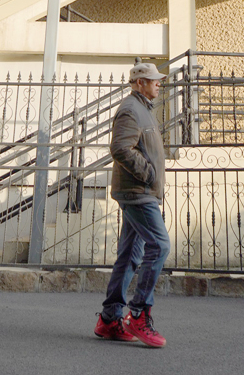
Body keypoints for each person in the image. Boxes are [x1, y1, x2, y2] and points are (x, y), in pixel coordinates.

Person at [94, 62, 170, 348]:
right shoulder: (131, 109)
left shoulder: (143, 108)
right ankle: (138, 314)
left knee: (129, 256)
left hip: (140, 191)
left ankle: (109, 319)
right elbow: (120, 148)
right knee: (160, 246)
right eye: (153, 80)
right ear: (140, 83)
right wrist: (148, 173)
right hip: (137, 192)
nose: (158, 83)